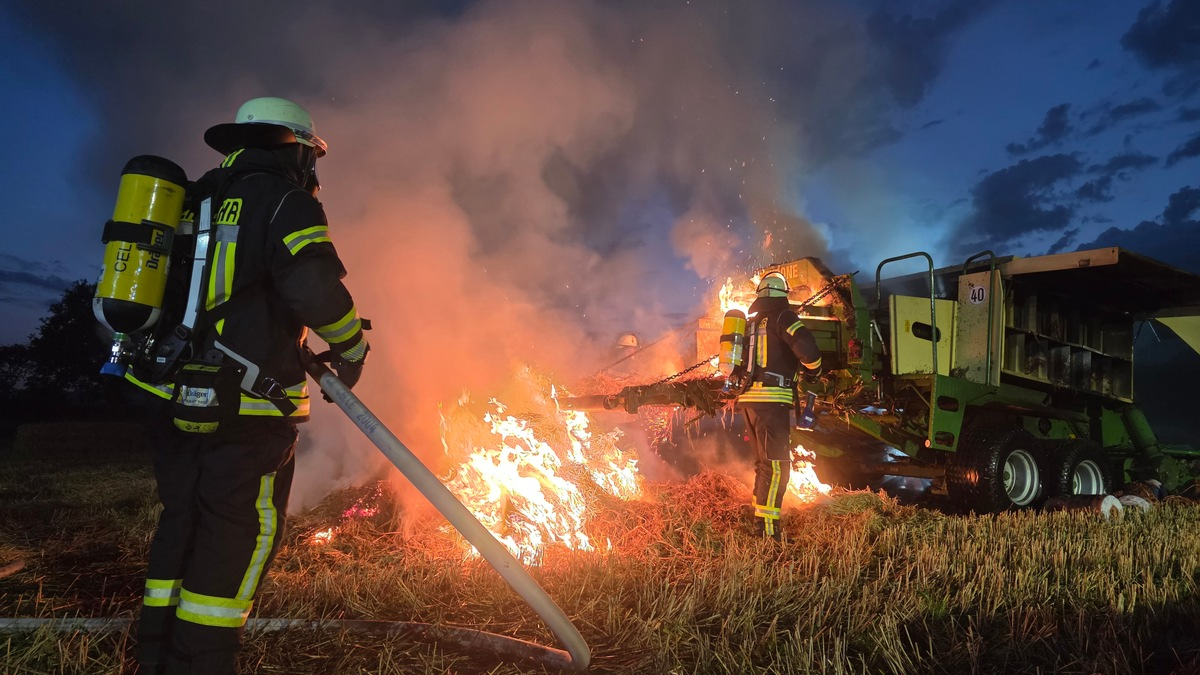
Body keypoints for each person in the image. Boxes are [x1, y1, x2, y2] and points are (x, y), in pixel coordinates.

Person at [122, 97, 369, 674]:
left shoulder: (194, 197)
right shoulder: (287, 199)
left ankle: (157, 653)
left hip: (169, 394)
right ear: (300, 149)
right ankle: (204, 662)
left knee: (184, 516)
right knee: (239, 529)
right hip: (243, 407)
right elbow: (312, 287)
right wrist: (353, 345)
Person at [736, 272, 822, 541]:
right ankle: (768, 531)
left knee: (764, 465)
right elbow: (806, 348)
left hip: (749, 400)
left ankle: (757, 520)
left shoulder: (750, 323)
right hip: (771, 400)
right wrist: (815, 371)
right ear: (783, 295)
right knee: (777, 467)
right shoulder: (783, 317)